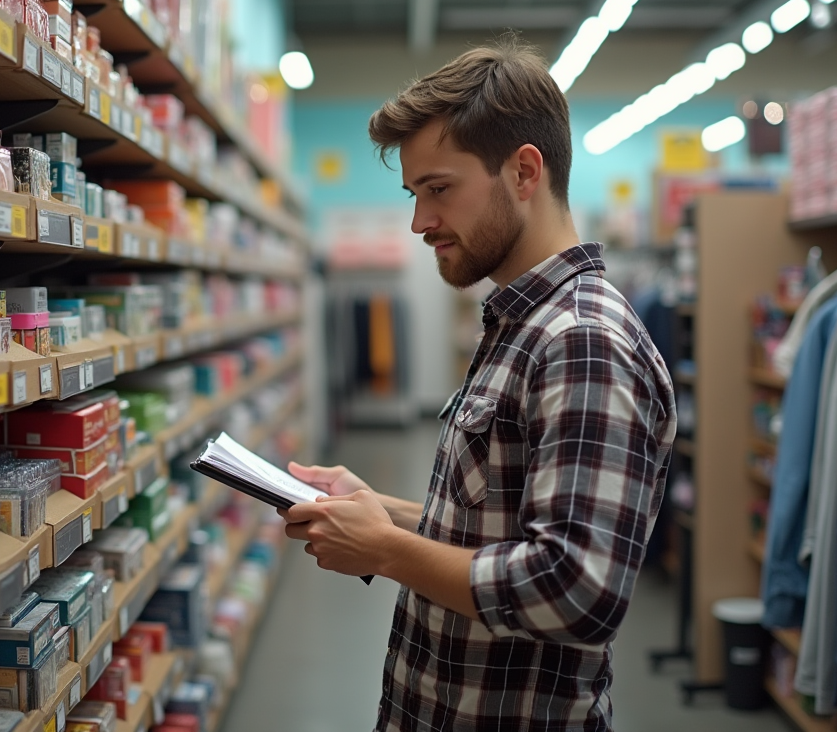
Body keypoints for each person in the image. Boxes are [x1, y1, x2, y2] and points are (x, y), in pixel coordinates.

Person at [279, 36, 677, 731]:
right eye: (414, 193)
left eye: (438, 189)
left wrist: (387, 549)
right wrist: (383, 512)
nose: (418, 222)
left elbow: (576, 590)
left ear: (525, 171)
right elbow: (497, 526)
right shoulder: (522, 323)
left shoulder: (581, 340)